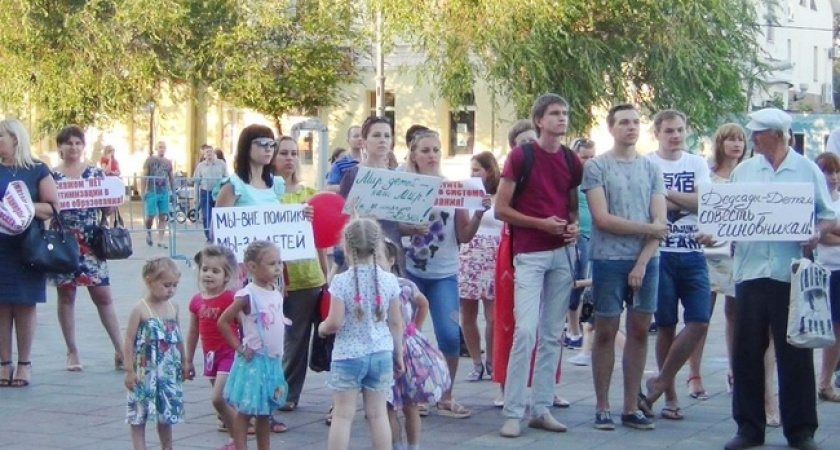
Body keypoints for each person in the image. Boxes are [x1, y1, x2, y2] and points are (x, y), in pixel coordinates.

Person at [724, 108, 835, 450]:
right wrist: (716, 232)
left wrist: (816, 233)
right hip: (751, 270)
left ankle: (801, 430)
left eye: (759, 133)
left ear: (778, 134)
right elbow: (728, 215)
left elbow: (827, 214)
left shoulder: (806, 170)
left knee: (795, 354)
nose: (753, 139)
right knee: (746, 352)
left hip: (790, 272)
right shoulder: (744, 172)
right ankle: (749, 428)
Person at [495, 94, 583, 438]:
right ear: (538, 120)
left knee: (552, 333)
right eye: (555, 114)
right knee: (526, 330)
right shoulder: (522, 155)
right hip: (530, 252)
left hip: (561, 252)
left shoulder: (572, 160)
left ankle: (541, 407)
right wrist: (539, 223)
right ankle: (513, 411)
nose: (562, 119)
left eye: (565, 113)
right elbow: (501, 208)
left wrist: (573, 225)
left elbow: (572, 205)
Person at [583, 104, 667, 431]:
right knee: (605, 330)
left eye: (635, 122)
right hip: (608, 257)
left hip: (646, 260)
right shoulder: (597, 167)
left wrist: (644, 260)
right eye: (623, 123)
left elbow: (660, 221)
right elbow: (603, 219)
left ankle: (631, 405)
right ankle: (602, 404)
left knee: (639, 329)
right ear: (611, 127)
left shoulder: (650, 168)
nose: (630, 128)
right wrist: (648, 230)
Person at [403, 129, 487, 418]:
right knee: (406, 335)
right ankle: (414, 394)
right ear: (413, 155)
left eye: (436, 150)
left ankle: (446, 394)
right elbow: (390, 227)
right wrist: (409, 229)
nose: (432, 155)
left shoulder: (454, 189)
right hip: (410, 271)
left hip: (445, 273)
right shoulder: (405, 187)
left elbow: (463, 235)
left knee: (450, 336)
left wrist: (477, 215)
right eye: (425, 150)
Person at [642, 110, 712, 421]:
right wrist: (683, 198)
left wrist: (665, 194)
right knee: (666, 325)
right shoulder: (647, 163)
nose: (676, 135)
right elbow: (646, 203)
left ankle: (657, 383)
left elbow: (704, 201)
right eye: (669, 130)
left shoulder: (696, 163)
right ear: (657, 133)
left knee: (700, 320)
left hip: (693, 251)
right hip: (661, 252)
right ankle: (669, 396)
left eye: (680, 130)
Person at [493, 119, 566, 408]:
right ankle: (506, 386)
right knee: (515, 324)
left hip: (551, 248)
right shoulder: (515, 169)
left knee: (551, 325)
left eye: (530, 139)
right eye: (522, 141)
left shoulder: (557, 162)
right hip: (516, 247)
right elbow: (501, 208)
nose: (528, 145)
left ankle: (545, 388)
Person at [318, 218, 405, 450]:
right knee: (378, 415)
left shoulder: (341, 281)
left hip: (348, 354)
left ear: (346, 247)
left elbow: (335, 322)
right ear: (378, 247)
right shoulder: (389, 280)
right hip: (381, 352)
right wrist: (399, 353)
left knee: (342, 415)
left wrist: (322, 328)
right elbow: (396, 322)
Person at [49, 125, 124, 372]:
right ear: (60, 147)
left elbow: (108, 209)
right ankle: (72, 351)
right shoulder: (52, 177)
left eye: (77, 143)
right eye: (68, 143)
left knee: (103, 295)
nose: (73, 147)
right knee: (67, 295)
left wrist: (113, 194)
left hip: (91, 242)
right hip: (64, 242)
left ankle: (121, 349)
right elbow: (46, 208)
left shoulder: (94, 174)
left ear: (83, 146)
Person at [0, 118, 59, 388]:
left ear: (15, 138)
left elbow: (52, 207)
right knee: (1, 306)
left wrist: (22, 206)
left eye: (1, 136)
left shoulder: (36, 169)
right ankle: (4, 363)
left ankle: (24, 364)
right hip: (1, 247)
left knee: (25, 305)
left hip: (27, 247)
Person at [272, 136, 328, 411]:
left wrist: (325, 272)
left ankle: (289, 394)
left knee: (296, 339)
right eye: (283, 153)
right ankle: (266, 387)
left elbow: (319, 237)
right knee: (268, 336)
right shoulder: (266, 193)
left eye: (294, 153)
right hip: (270, 276)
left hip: (305, 275)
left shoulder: (308, 193)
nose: (289, 158)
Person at [218, 241, 290, 450]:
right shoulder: (248, 294)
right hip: (254, 361)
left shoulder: (275, 290)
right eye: (271, 264)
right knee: (247, 411)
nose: (278, 268)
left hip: (272, 360)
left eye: (279, 262)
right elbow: (223, 321)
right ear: (252, 267)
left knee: (265, 411)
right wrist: (239, 347)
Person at [383, 239, 450, 450]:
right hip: (387, 349)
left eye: (379, 258)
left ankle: (412, 446)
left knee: (409, 406)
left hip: (404, 350)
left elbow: (423, 303)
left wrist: (414, 328)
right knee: (388, 407)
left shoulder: (404, 285)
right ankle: (397, 446)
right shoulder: (380, 286)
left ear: (391, 259)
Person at [123, 256, 185, 450]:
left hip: (167, 370)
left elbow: (179, 337)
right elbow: (129, 340)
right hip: (145, 370)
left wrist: (185, 361)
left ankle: (167, 446)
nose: (171, 290)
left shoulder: (173, 308)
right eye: (166, 285)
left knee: (166, 413)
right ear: (150, 281)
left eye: (175, 285)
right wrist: (129, 370)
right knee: (139, 413)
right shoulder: (140, 309)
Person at [184, 245, 239, 448]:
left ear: (226, 276)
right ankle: (236, 438)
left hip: (230, 353)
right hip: (210, 356)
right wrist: (188, 360)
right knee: (227, 402)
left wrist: (246, 349)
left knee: (218, 398)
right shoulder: (196, 301)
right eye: (205, 269)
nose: (208, 274)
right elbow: (192, 332)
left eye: (215, 271)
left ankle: (239, 435)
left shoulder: (231, 298)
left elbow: (244, 324)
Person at [459, 151, 501, 381]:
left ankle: (492, 360)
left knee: (493, 315)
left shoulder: (501, 191)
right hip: (470, 252)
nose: (473, 174)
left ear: (489, 170)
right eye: (471, 169)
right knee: (468, 312)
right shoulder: (468, 192)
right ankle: (476, 361)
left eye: (477, 169)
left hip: (494, 253)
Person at [814, 152, 840, 404]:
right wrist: (829, 232)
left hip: (839, 268)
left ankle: (825, 381)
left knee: (837, 328)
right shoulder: (815, 201)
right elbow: (822, 235)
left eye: (835, 172)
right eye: (826, 172)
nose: (832, 177)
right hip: (821, 268)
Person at [566, 138, 596, 355]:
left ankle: (580, 328)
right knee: (576, 280)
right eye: (584, 156)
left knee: (586, 283)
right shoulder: (570, 177)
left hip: (595, 234)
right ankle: (572, 328)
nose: (587, 161)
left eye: (591, 157)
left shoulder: (594, 177)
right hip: (578, 234)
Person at [142, 141, 174, 248]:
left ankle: (160, 239)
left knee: (163, 216)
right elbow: (144, 175)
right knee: (150, 215)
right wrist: (143, 191)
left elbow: (171, 176)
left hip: (164, 191)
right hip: (152, 191)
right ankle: (148, 232)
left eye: (163, 147)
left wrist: (173, 191)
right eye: (160, 147)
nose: (162, 149)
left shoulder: (168, 162)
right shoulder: (150, 160)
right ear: (156, 148)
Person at [193, 143, 228, 242]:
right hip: (205, 193)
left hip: (218, 193)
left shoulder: (221, 164)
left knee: (218, 215)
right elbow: (196, 182)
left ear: (213, 153)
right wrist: (196, 197)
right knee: (206, 216)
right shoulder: (201, 166)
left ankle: (219, 236)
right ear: (204, 155)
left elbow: (226, 178)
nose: (209, 154)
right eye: (207, 152)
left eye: (211, 151)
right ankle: (209, 237)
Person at [324, 126, 364, 192]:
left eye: (362, 136)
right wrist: (351, 186)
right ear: (348, 140)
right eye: (356, 136)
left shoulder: (372, 162)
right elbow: (329, 187)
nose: (360, 139)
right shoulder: (338, 164)